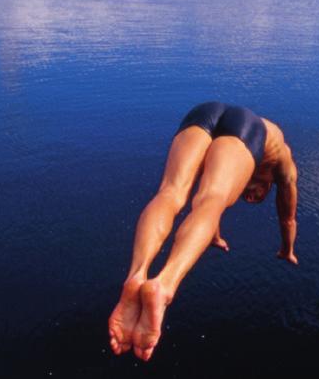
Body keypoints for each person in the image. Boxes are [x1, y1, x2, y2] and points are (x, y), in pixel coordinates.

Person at [108, 101, 298, 362]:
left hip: (204, 112)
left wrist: (215, 237)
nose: (250, 196)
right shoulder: (283, 160)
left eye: (248, 196)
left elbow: (209, 211)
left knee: (171, 193)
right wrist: (287, 250)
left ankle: (136, 275)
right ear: (268, 186)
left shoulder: (256, 155)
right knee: (213, 199)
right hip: (248, 126)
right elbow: (288, 218)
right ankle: (164, 285)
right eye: (256, 194)